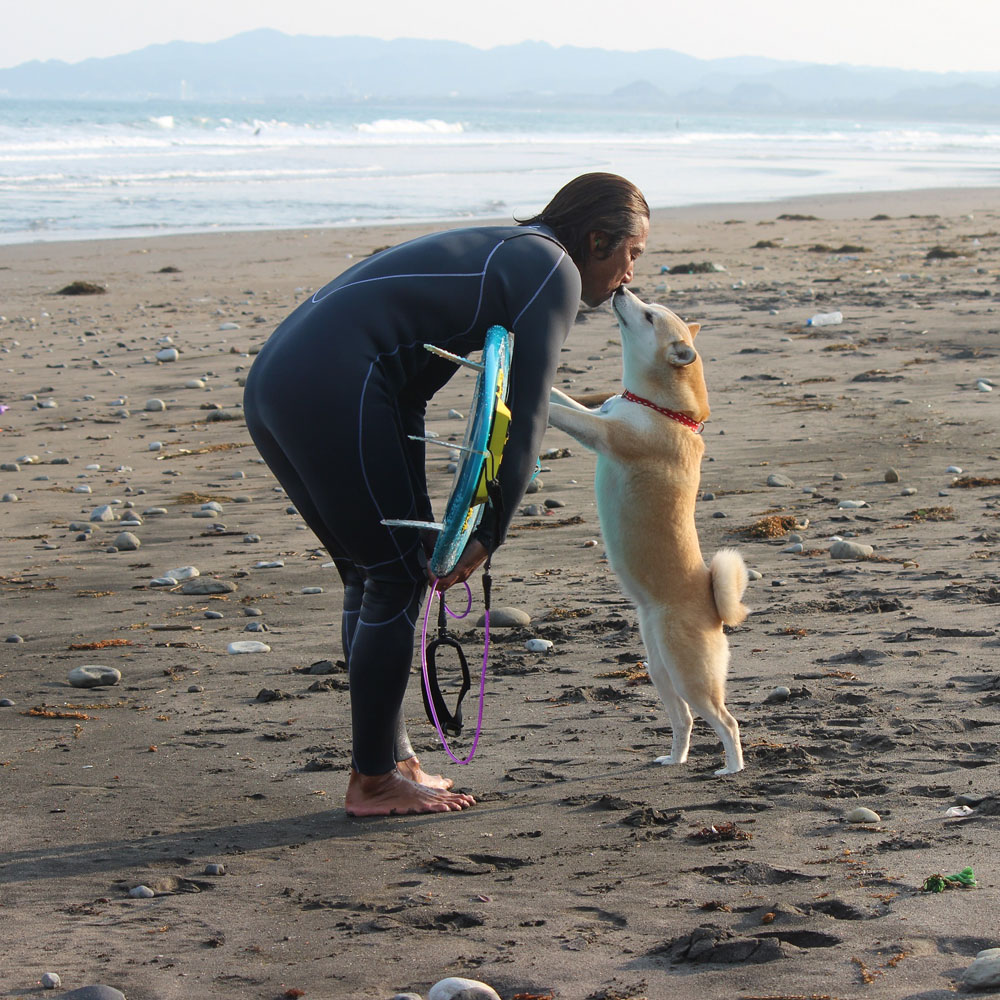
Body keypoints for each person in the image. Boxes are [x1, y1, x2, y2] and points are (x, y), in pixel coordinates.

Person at [242, 172, 649, 816]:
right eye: (632, 254)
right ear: (598, 239)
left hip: (283, 380)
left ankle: (391, 759)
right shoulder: (553, 270)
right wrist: (491, 531)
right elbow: (526, 412)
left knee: (374, 572)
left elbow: (418, 380)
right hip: (335, 384)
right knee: (395, 578)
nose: (630, 275)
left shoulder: (515, 249)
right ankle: (372, 780)